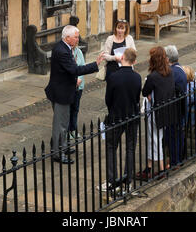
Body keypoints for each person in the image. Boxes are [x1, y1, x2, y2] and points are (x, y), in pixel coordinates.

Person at [45, 25, 104, 164]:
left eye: (78, 36)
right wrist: (95, 64)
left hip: (64, 90)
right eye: (76, 37)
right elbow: (74, 69)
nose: (78, 39)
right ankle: (58, 153)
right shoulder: (62, 51)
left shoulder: (64, 47)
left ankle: (63, 147)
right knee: (60, 124)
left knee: (64, 122)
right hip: (61, 93)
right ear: (67, 38)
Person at [100, 48, 141, 193]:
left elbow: (108, 99)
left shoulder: (113, 77)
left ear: (122, 57)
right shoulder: (137, 77)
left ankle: (112, 181)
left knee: (111, 148)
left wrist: (113, 109)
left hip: (115, 117)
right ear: (134, 61)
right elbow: (136, 98)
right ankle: (127, 180)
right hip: (132, 116)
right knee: (130, 148)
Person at [136, 46, 175, 181]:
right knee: (156, 138)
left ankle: (161, 169)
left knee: (155, 139)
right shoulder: (170, 72)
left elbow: (144, 92)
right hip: (167, 111)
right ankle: (149, 167)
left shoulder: (152, 77)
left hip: (156, 112)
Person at [164, 45, 187, 168]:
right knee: (177, 135)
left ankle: (174, 161)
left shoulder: (172, 72)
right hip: (180, 108)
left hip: (174, 110)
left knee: (173, 136)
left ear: (167, 59)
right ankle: (178, 159)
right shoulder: (180, 69)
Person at [68, 43, 85, 141]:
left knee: (75, 108)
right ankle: (66, 131)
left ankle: (73, 129)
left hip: (78, 86)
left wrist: (79, 79)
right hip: (69, 86)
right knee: (67, 110)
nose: (76, 40)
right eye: (75, 37)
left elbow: (82, 67)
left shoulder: (79, 52)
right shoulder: (65, 52)